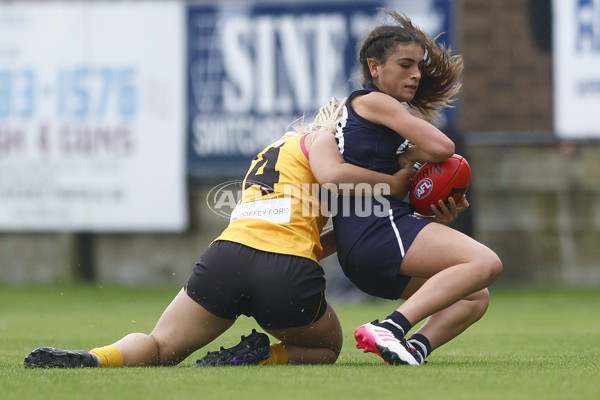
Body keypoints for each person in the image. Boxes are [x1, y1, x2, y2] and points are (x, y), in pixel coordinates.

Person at [23, 100, 417, 368]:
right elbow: (330, 188)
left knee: (161, 347)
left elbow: (306, 234)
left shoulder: (277, 150)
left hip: (226, 258)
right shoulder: (324, 140)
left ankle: (97, 358)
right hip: (285, 272)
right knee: (327, 348)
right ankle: (261, 356)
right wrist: (397, 185)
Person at [330, 9, 503, 365]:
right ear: (374, 67)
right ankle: (391, 328)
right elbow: (445, 149)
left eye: (419, 66)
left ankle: (411, 350)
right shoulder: (375, 100)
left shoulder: (376, 121)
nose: (416, 75)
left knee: (474, 296)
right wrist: (416, 154)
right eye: (405, 64)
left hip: (362, 251)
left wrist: (433, 211)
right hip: (377, 232)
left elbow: (403, 176)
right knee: (486, 261)